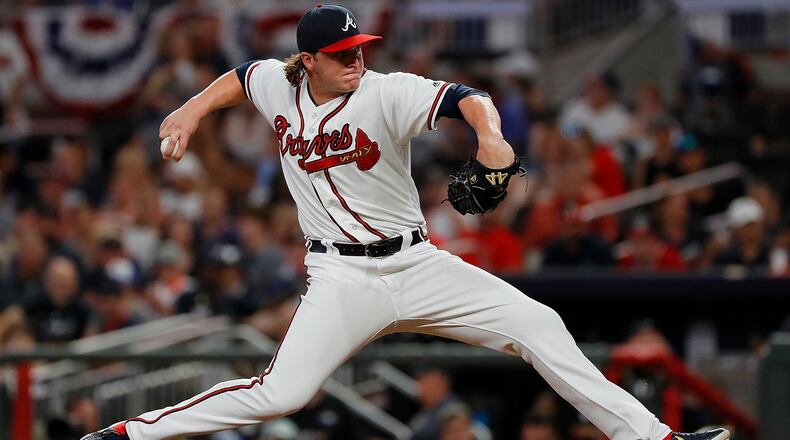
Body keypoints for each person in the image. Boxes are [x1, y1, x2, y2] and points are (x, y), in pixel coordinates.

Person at [82, 5, 729, 440]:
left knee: (539, 323)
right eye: (339, 54)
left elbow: (464, 98)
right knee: (283, 392)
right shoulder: (281, 83)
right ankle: (129, 433)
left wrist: (493, 138)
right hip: (341, 276)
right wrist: (191, 112)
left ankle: (655, 438)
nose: (355, 60)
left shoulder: (384, 90)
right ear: (307, 61)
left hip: (417, 265)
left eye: (358, 48)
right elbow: (243, 77)